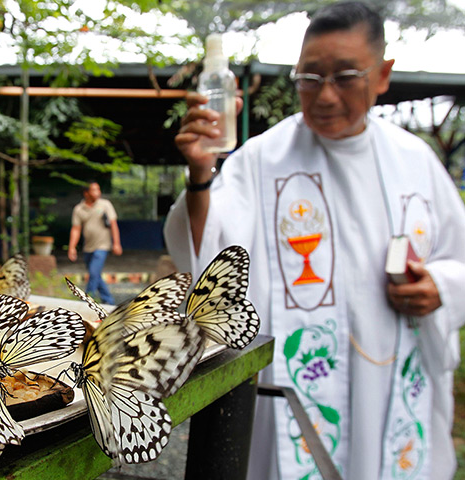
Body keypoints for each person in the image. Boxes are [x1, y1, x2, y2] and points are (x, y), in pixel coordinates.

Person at [164, 2, 465, 479]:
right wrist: (201, 174)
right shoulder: (262, 160)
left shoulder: (416, 162)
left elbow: (458, 258)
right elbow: (208, 253)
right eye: (308, 78)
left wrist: (440, 287)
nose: (324, 96)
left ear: (383, 74)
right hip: (299, 388)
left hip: (389, 380)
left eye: (345, 76)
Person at [68, 181, 122, 305]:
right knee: (95, 275)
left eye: (98, 189)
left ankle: (87, 301)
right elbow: (76, 229)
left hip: (102, 245)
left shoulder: (105, 205)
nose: (98, 193)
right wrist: (72, 247)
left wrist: (116, 243)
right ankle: (108, 301)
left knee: (93, 273)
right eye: (94, 190)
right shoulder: (79, 209)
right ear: (86, 193)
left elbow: (113, 224)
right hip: (88, 247)